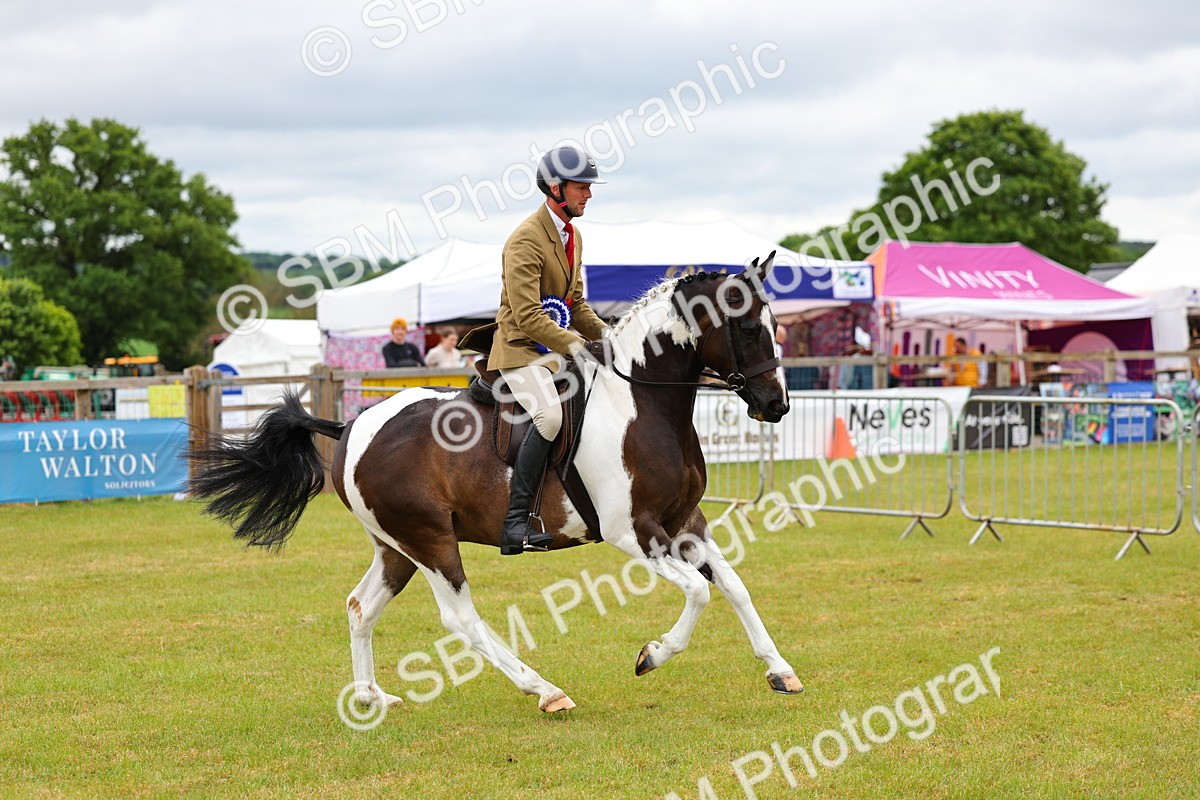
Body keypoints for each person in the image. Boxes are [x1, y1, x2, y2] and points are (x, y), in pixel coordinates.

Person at [488, 145, 609, 555]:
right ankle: (515, 523)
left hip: (554, 348)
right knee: (550, 415)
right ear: (555, 188)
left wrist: (609, 337)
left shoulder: (573, 236)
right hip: (520, 350)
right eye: (581, 187)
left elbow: (573, 303)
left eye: (589, 187)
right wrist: (579, 345)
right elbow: (526, 315)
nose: (588, 195)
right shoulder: (525, 239)